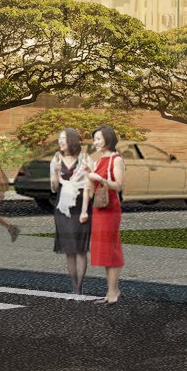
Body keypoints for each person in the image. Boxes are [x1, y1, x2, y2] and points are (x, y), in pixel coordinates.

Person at [84, 125, 127, 303]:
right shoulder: (99, 160)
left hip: (110, 209)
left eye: (99, 139)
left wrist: (100, 179)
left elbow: (119, 186)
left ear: (108, 139)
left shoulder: (116, 160)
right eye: (94, 139)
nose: (96, 142)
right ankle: (112, 290)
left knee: (112, 249)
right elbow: (91, 187)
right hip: (99, 208)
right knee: (104, 250)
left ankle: (112, 292)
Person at [47, 128, 91, 298]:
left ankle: (80, 288)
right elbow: (54, 187)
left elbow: (89, 185)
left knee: (80, 249)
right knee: (69, 250)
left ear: (72, 140)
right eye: (59, 138)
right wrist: (56, 172)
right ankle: (74, 287)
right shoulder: (56, 158)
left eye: (64, 138)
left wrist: (86, 210)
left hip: (80, 207)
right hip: (62, 208)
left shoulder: (85, 159)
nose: (61, 141)